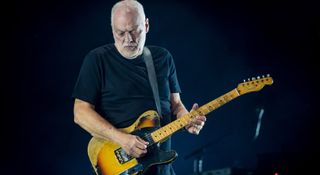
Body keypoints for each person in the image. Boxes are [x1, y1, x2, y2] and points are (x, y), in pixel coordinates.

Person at [72, 0, 206, 174]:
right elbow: (80, 113)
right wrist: (122, 139)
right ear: (112, 29)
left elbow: (176, 105)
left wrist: (187, 118)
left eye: (134, 31)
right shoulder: (97, 60)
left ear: (146, 25)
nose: (128, 39)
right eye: (121, 33)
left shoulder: (163, 58)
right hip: (122, 167)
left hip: (161, 168)